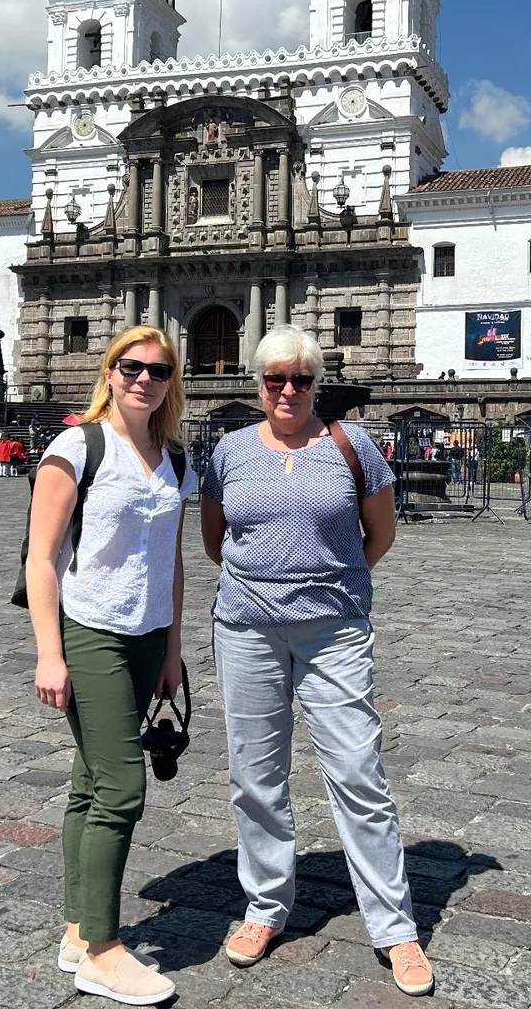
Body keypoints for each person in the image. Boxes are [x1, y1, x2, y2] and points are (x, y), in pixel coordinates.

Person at [200, 326, 435, 998]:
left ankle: (395, 928)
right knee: (255, 775)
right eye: (276, 378)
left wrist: (335, 587)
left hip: (334, 633)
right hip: (246, 629)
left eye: (301, 378)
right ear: (257, 384)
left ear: (317, 383)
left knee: (359, 773)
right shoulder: (231, 450)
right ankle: (265, 907)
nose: (289, 389)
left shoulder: (350, 445)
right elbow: (218, 541)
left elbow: (379, 532)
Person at [25, 325, 193, 1006]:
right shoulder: (76, 447)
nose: (143, 379)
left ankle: (76, 928)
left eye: (157, 370)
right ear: (110, 371)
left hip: (148, 636)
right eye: (131, 367)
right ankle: (101, 947)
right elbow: (40, 557)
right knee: (122, 789)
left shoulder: (175, 457)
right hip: (89, 632)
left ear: (170, 381)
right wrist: (48, 653)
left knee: (92, 783)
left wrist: (174, 651)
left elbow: (174, 560)